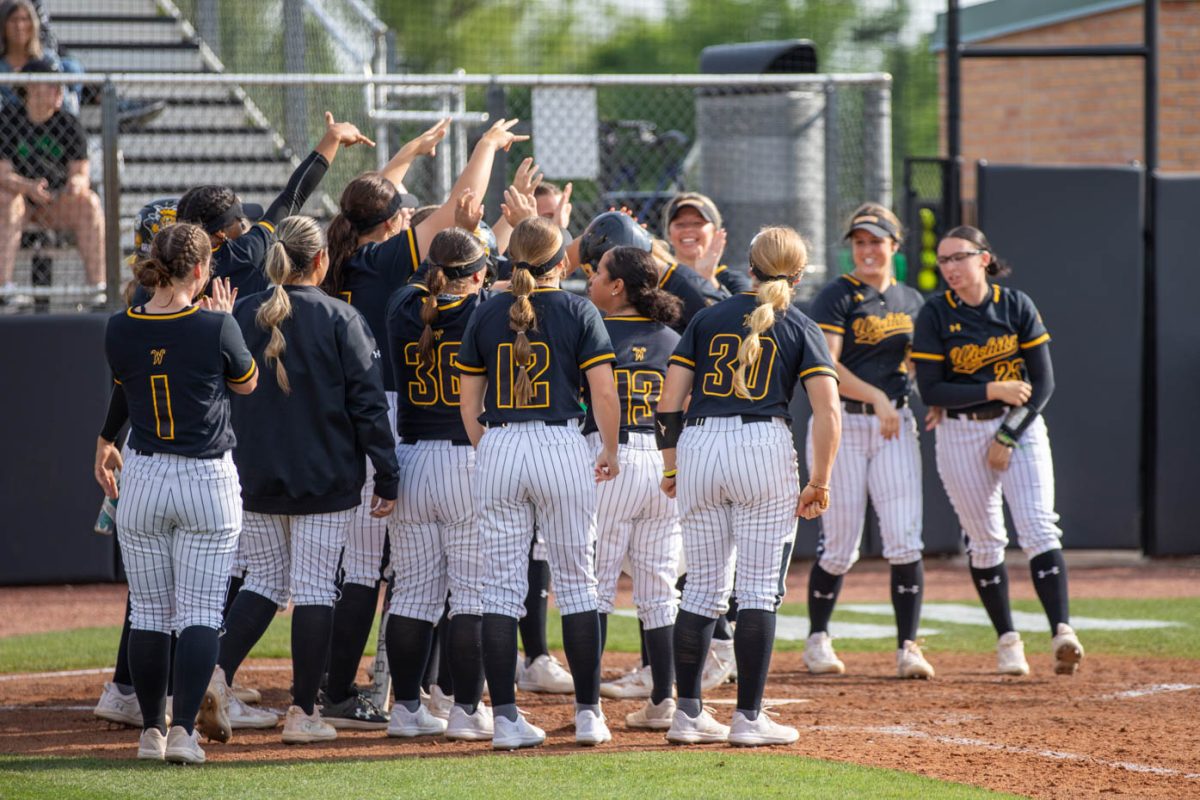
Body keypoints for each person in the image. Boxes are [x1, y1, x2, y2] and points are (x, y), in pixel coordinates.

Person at [317, 118, 529, 726]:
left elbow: (372, 211)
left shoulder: (368, 273)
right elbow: (450, 233)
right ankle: (453, 702)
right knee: (460, 591)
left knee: (385, 577)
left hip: (384, 434)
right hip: (436, 442)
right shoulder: (461, 302)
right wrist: (485, 149)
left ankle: (390, 697)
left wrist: (406, 157)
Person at [215, 216, 398, 744]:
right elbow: (368, 407)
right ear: (320, 261)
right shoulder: (342, 317)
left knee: (265, 582)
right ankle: (301, 712)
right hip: (325, 478)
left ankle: (213, 675)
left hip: (254, 474)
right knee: (316, 587)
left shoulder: (243, 311)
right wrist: (386, 473)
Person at [656, 226, 840, 747]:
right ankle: (748, 718)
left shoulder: (707, 317)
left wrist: (671, 468)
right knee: (757, 591)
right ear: (798, 276)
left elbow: (668, 404)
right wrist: (820, 480)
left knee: (701, 588)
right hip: (763, 446)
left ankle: (687, 714)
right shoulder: (800, 323)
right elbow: (827, 411)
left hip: (699, 446)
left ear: (749, 266)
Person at [94, 223, 258, 764]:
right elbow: (247, 383)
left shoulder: (119, 326)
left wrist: (103, 439)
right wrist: (227, 323)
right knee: (200, 613)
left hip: (143, 476)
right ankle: (184, 732)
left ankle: (150, 733)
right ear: (198, 269)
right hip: (205, 480)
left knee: (147, 613)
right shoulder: (215, 324)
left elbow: (125, 385)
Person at [457, 216, 621, 749]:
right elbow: (604, 393)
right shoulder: (579, 308)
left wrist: (489, 450)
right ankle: (589, 714)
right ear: (561, 263)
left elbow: (469, 402)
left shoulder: (485, 311)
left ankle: (505, 719)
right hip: (558, 444)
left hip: (499, 443)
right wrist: (610, 450)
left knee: (500, 591)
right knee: (578, 585)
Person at [912, 225, 1084, 677]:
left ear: (984, 259)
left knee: (1038, 527)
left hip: (1019, 426)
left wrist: (1007, 436)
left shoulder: (1015, 305)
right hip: (959, 432)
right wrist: (992, 387)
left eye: (959, 257)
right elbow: (932, 390)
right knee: (985, 539)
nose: (950, 267)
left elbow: (1043, 383)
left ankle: (1062, 631)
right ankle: (1008, 639)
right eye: (943, 261)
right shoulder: (934, 315)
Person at [802, 204, 933, 679]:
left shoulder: (912, 301)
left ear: (894, 247)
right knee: (839, 545)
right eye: (859, 242)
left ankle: (908, 647)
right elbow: (829, 366)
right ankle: (817, 638)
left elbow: (919, 363)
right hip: (847, 424)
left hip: (893, 425)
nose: (867, 249)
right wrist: (877, 396)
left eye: (876, 241)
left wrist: (931, 397)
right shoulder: (836, 295)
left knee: (903, 539)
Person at [382, 227, 496, 741]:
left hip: (412, 460)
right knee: (470, 596)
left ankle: (406, 708)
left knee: (411, 595)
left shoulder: (402, 305)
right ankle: (466, 710)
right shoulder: (485, 310)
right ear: (475, 274)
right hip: (466, 461)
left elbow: (426, 280)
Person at [585, 245, 683, 731]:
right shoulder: (671, 336)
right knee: (660, 591)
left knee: (595, 587)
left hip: (610, 460)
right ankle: (663, 700)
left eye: (599, 273)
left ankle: (591, 708)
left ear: (618, 285)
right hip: (663, 462)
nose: (593, 279)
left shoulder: (594, 327)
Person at [176, 110, 374, 298]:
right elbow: (293, 197)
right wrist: (333, 137)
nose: (245, 224)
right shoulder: (244, 254)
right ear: (221, 234)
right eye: (239, 220)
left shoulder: (168, 258)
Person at [0, 57, 103, 303]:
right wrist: (28, 187)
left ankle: (98, 288)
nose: (60, 91)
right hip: (19, 200)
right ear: (31, 87)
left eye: (60, 85)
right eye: (51, 84)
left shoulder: (68, 123)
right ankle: (4, 288)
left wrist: (76, 184)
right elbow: (2, 173)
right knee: (7, 200)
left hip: (56, 201)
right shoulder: (8, 120)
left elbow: (81, 173)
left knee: (88, 202)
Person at [662, 192, 751, 294]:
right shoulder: (661, 278)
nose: (688, 229)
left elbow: (742, 309)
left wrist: (708, 279)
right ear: (668, 234)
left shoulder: (733, 281)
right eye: (680, 224)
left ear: (715, 231)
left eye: (697, 223)